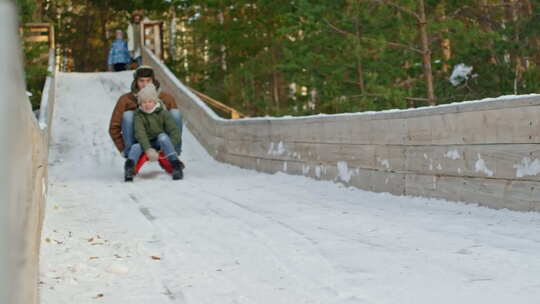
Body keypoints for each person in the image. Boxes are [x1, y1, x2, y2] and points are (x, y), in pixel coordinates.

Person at [108, 66, 184, 179]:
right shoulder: (125, 100)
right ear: (136, 81)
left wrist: (169, 145)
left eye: (148, 81)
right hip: (137, 140)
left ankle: (173, 155)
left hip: (160, 140)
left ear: (153, 81)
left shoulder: (166, 98)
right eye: (141, 81)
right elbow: (114, 128)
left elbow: (172, 126)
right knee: (128, 115)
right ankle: (130, 157)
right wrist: (123, 149)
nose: (145, 84)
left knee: (175, 113)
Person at [126, 83, 183, 181]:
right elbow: (140, 133)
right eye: (143, 102)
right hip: (146, 143)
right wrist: (148, 149)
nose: (147, 104)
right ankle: (130, 168)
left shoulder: (162, 112)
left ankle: (175, 165)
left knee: (163, 136)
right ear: (140, 103)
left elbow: (174, 131)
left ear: (154, 101)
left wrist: (169, 146)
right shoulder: (138, 115)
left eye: (150, 101)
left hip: (160, 142)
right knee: (135, 147)